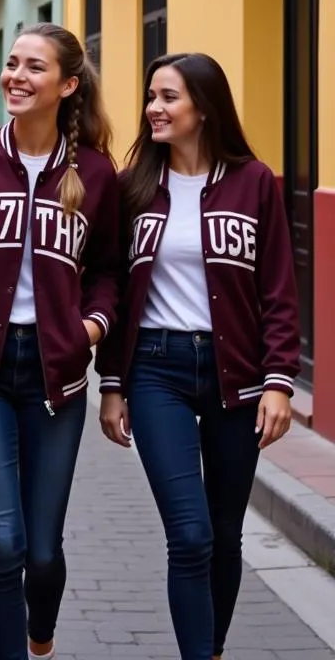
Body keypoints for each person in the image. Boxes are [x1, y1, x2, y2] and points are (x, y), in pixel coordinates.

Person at [97, 53, 298, 660]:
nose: (153, 108)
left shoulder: (254, 181)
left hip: (236, 370)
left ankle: (209, 649)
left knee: (225, 533)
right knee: (189, 534)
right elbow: (113, 282)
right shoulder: (133, 186)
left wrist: (280, 381)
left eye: (168, 98)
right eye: (151, 97)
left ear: (204, 109)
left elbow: (278, 288)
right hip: (156, 368)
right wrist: (112, 382)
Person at [0, 22, 120, 660]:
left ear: (67, 85)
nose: (15, 75)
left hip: (56, 379)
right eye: (12, 62)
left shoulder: (95, 173)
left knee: (42, 551)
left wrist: (90, 326)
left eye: (33, 67)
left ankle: (39, 637)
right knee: (2, 543)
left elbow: (108, 271)